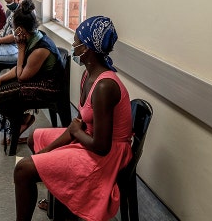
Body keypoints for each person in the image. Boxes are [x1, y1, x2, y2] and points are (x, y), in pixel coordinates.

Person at [12, 16, 131, 221]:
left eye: (77, 41)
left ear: (88, 48)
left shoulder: (104, 86)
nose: (74, 45)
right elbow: (78, 125)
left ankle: (64, 195)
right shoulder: (89, 74)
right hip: (89, 140)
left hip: (106, 155)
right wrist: (47, 152)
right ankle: (60, 192)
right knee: (35, 138)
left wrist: (75, 132)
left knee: (23, 170)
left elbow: (102, 146)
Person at [0, 2, 63, 143]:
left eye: (13, 27)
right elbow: (20, 68)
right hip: (34, 78)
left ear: (19, 28)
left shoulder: (40, 48)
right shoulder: (30, 37)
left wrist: (20, 49)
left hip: (48, 87)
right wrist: (0, 80)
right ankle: (21, 120)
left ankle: (21, 122)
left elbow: (21, 77)